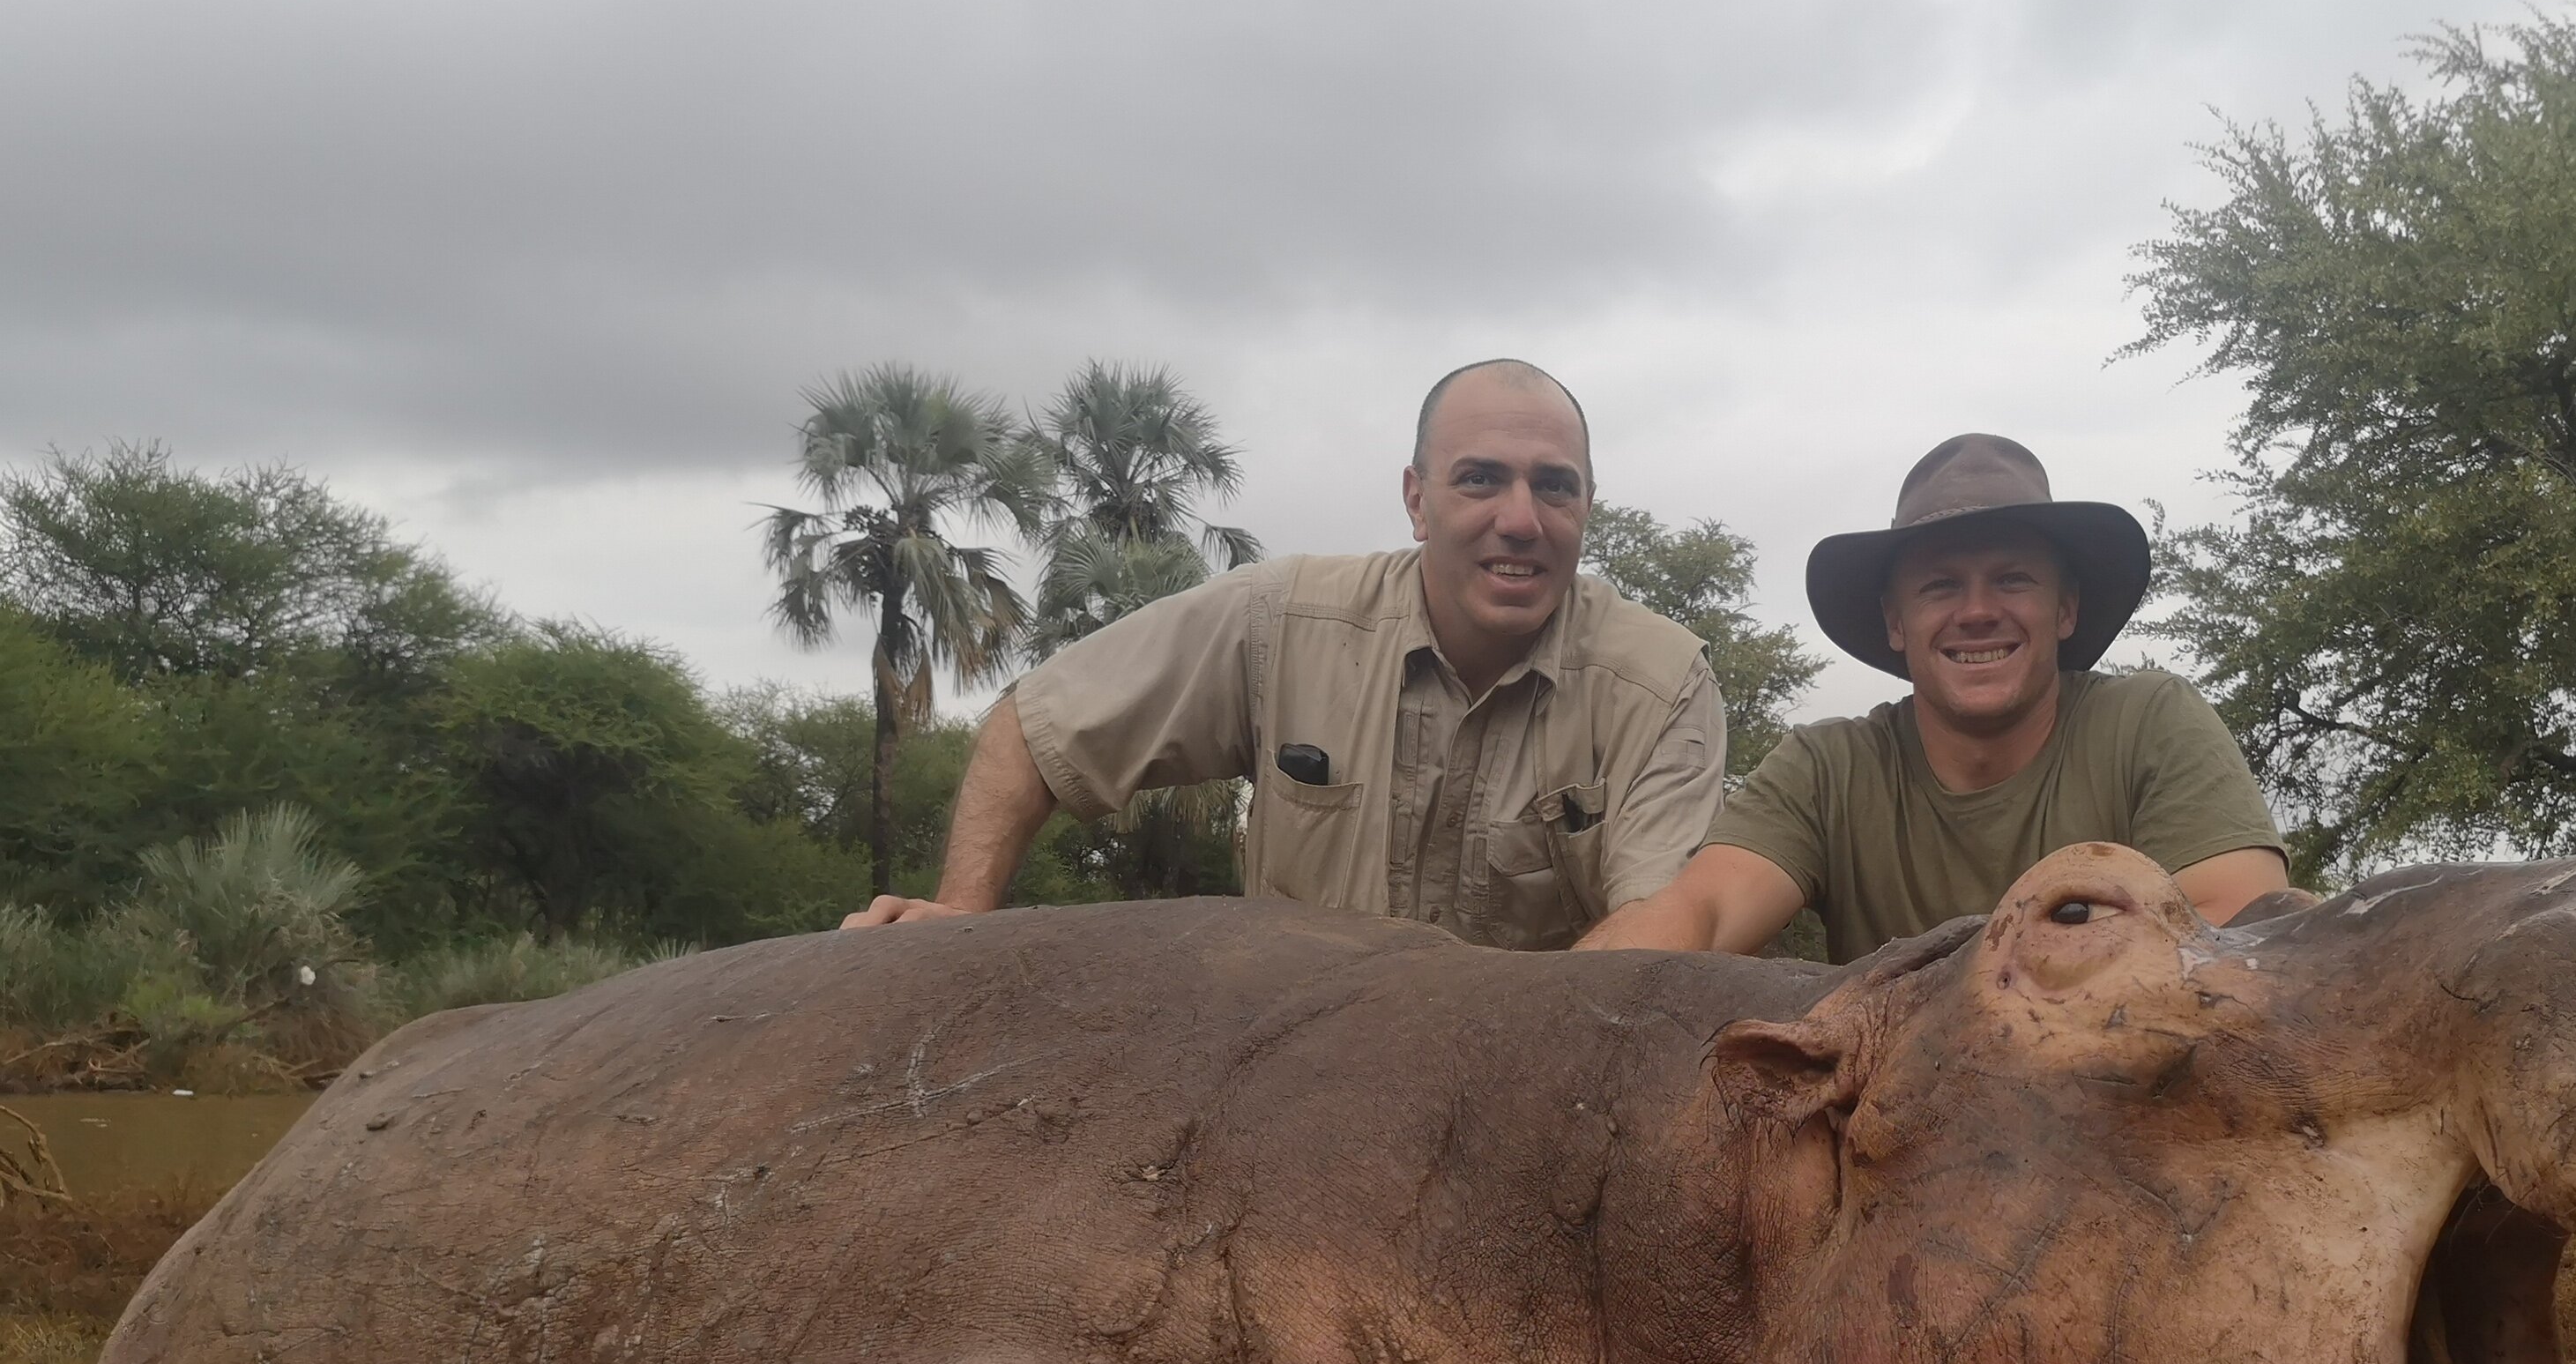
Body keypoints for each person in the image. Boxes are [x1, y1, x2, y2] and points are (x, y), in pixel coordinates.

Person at [845, 359, 1726, 948]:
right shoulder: (1281, 617)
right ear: (1417, 501)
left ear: (1586, 508)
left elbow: (1658, 933)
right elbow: (1036, 730)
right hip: (1281, 1087)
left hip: (1523, 1096)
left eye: (1554, 487)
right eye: (1480, 478)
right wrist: (958, 916)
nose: (1520, 518)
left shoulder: (1661, 683)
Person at [1575, 433, 2288, 962]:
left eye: (2013, 579)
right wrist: (1566, 1013)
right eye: (1940, 585)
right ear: (1896, 621)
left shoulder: (2150, 721)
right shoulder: (1829, 767)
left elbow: (2246, 936)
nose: (1977, 611)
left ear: (2065, 610)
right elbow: (1700, 910)